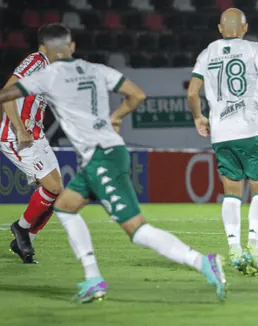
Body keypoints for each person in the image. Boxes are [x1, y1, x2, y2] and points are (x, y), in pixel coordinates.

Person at [0, 24, 227, 303]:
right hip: (107, 152)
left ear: (47, 50)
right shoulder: (96, 69)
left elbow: (6, 94)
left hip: (102, 157)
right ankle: (93, 278)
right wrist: (116, 117)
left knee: (137, 230)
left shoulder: (50, 76)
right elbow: (138, 95)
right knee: (65, 207)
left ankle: (203, 262)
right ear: (72, 47)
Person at [187, 8, 258, 276]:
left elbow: (193, 92)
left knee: (232, 191)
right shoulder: (253, 49)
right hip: (250, 129)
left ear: (220, 29)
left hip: (221, 133)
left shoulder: (207, 53)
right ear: (245, 27)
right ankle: (252, 246)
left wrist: (198, 118)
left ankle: (233, 247)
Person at [1, 28, 63, 263]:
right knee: (52, 187)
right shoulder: (35, 61)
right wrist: (18, 128)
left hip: (36, 136)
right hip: (19, 136)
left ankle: (24, 240)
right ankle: (21, 228)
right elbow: (6, 93)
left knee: (57, 193)